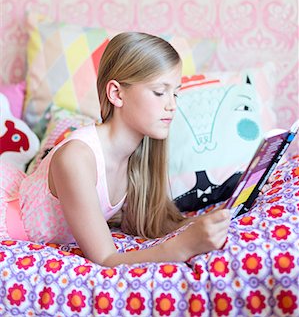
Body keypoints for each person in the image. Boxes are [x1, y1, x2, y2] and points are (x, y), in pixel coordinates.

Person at [0, 32, 231, 267]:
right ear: (116, 93)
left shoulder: (136, 157)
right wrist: (181, 247)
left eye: (175, 93)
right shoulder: (77, 159)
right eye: (160, 92)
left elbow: (151, 223)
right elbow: (106, 259)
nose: (172, 105)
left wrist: (207, 222)